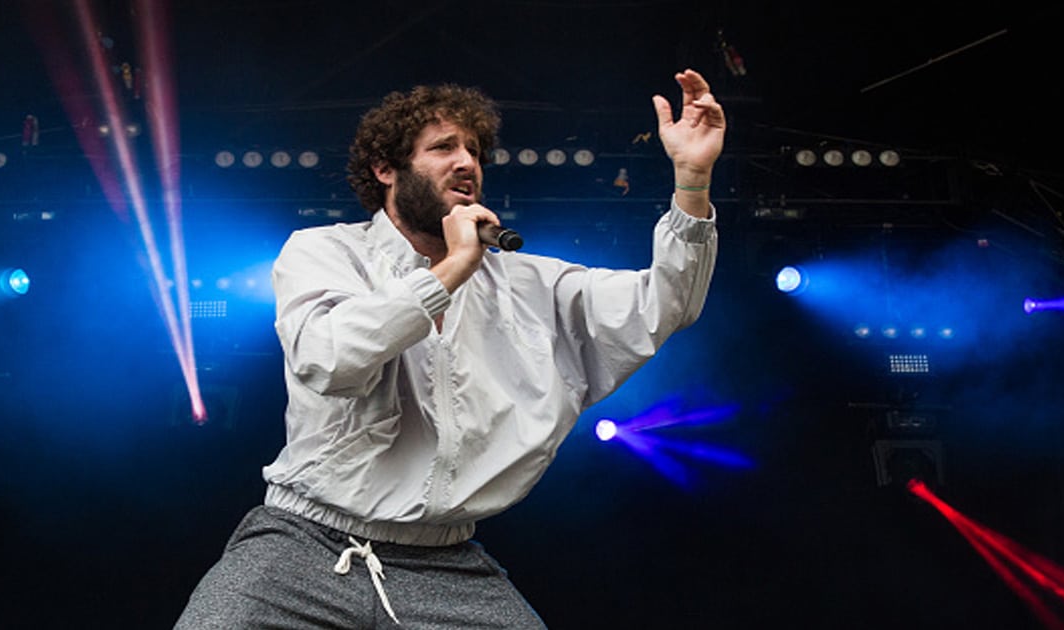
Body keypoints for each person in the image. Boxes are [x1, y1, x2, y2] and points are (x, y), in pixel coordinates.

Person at [175, 68, 725, 629]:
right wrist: (453, 268)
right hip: (302, 544)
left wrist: (693, 180)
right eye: (443, 147)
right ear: (385, 169)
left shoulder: (531, 284)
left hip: (445, 563)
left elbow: (664, 305)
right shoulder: (324, 251)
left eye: (475, 150)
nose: (467, 162)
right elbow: (330, 358)